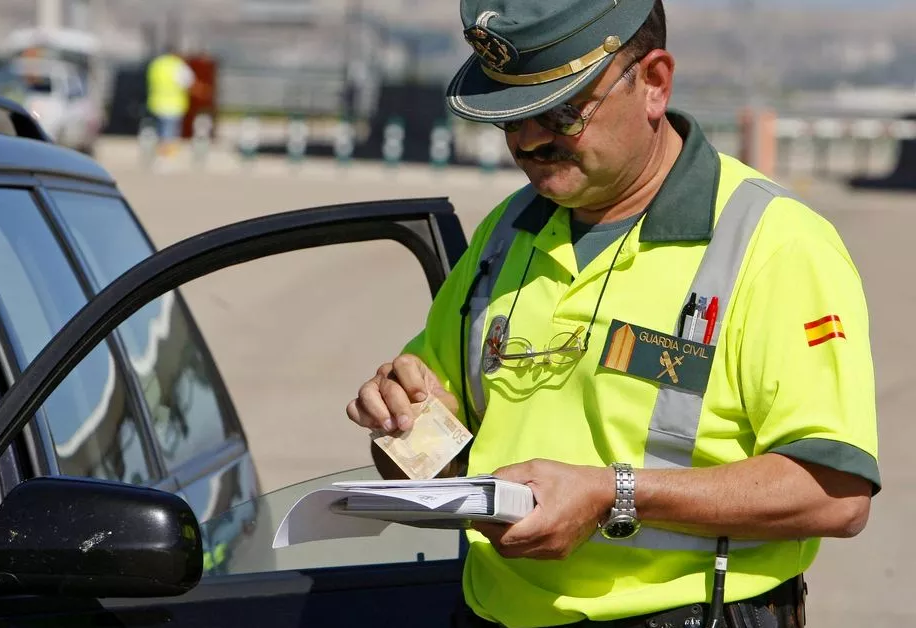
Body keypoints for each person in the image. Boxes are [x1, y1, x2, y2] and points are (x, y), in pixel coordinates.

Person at [346, 1, 879, 627]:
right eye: (509, 118)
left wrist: (613, 495)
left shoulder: (774, 244)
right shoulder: (506, 235)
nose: (527, 141)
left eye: (561, 111)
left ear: (653, 82)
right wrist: (400, 422)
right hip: (489, 613)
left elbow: (835, 494)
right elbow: (438, 458)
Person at [146, 46, 196, 157]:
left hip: (157, 102)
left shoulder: (156, 64)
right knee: (170, 129)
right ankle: (167, 152)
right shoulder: (178, 65)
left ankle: (158, 148)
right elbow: (188, 82)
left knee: (160, 127)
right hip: (174, 103)